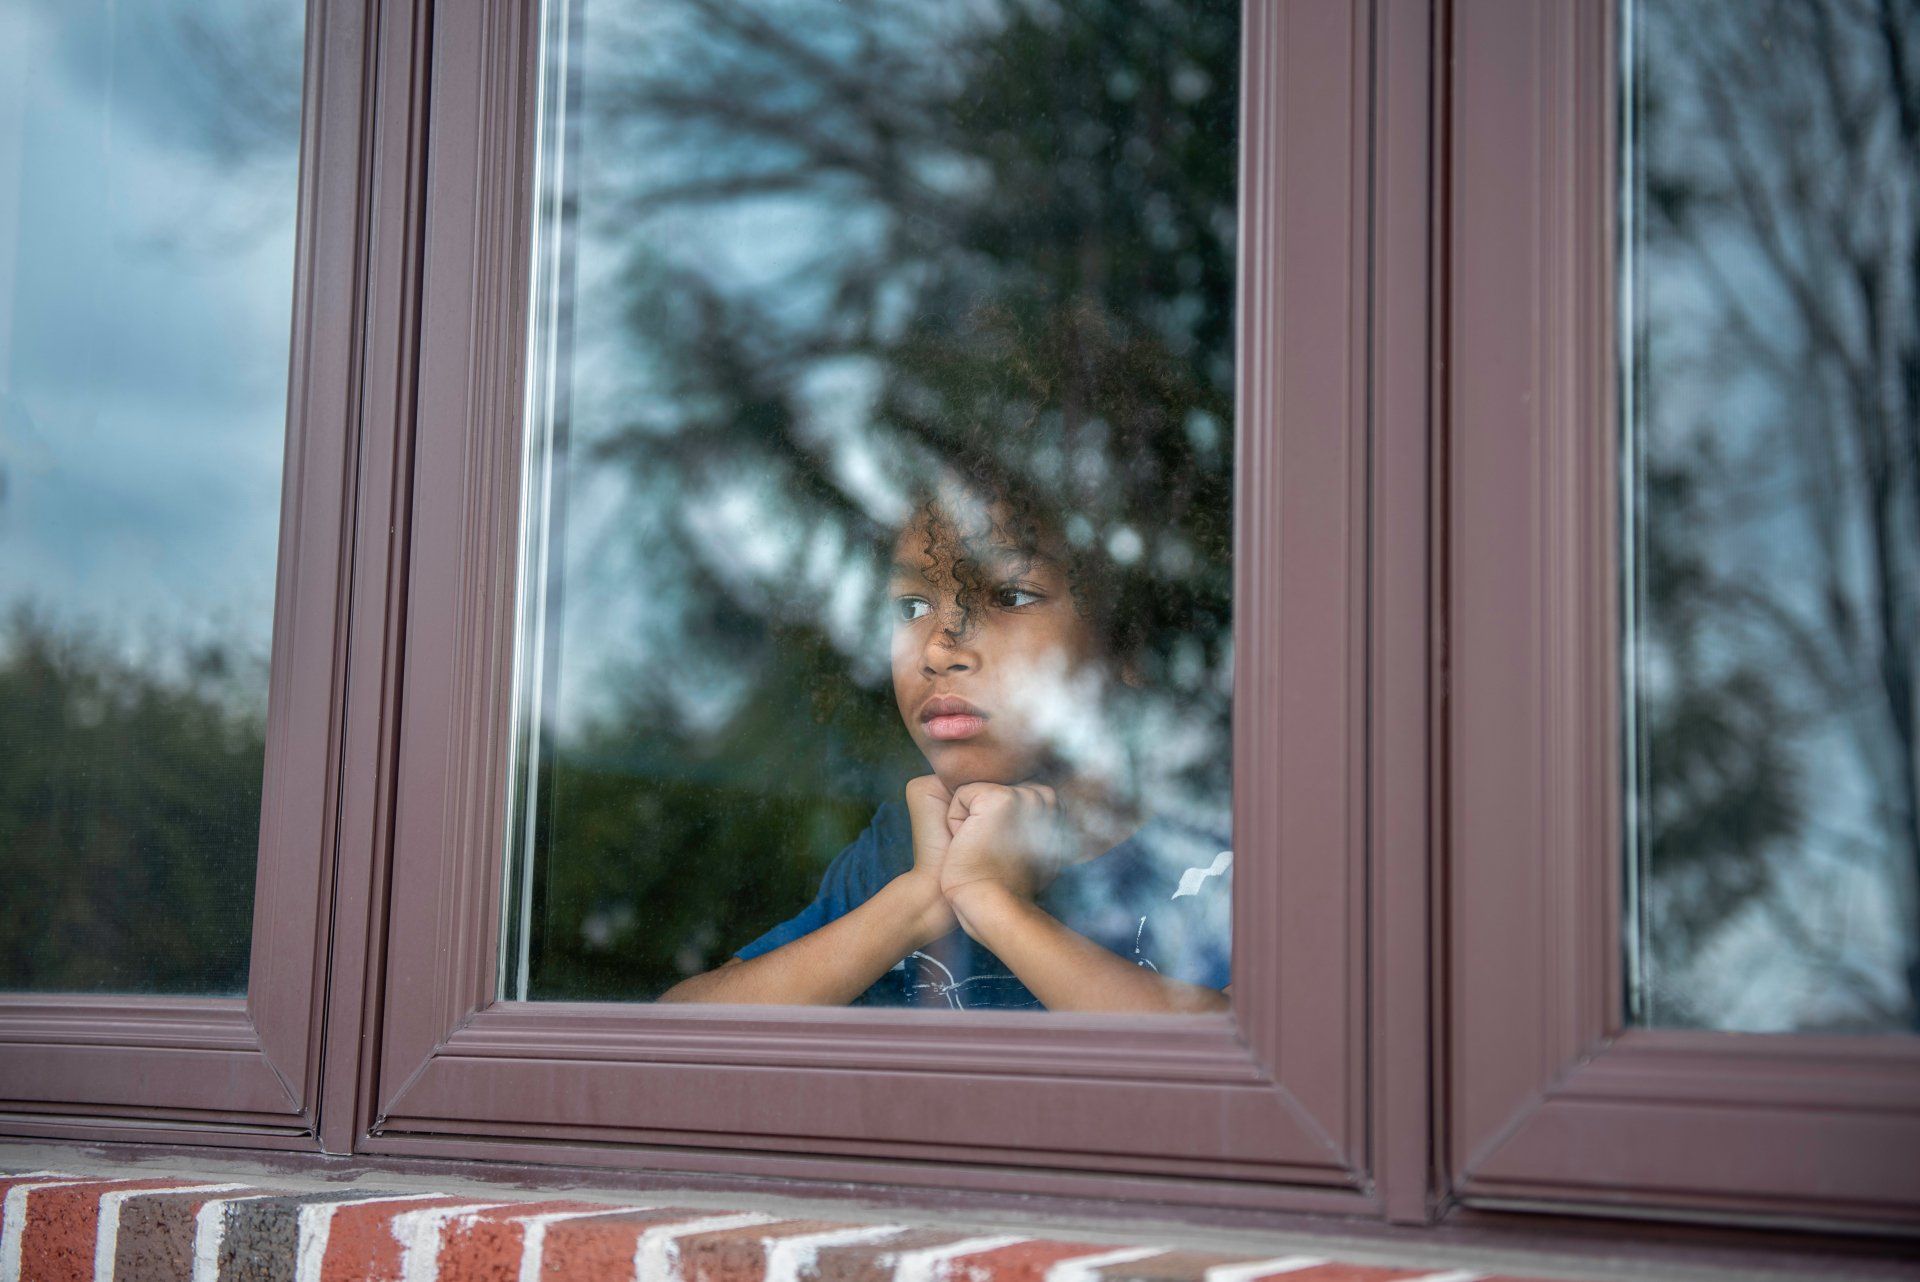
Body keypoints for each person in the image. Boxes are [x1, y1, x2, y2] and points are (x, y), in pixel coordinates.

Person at [659, 468, 1231, 1012]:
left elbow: (1251, 1070)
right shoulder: (900, 856)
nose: (937, 650)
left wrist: (993, 905)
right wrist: (914, 905)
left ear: (1122, 642)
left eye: (1010, 596)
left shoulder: (1205, 858)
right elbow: (676, 1037)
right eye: (912, 607)